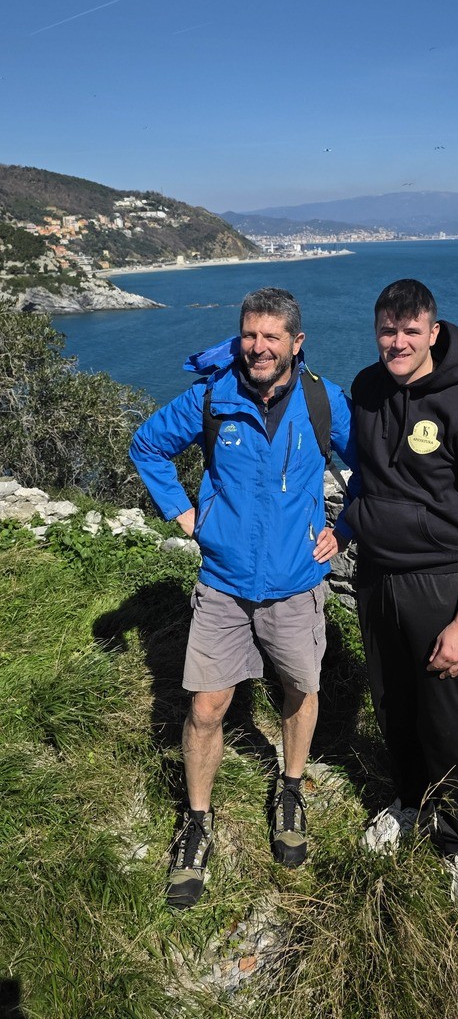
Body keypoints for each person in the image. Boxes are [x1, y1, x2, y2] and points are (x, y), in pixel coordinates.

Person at [130, 287, 355, 909]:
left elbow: (373, 467)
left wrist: (346, 527)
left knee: (300, 691)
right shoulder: (213, 397)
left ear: (296, 343)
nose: (259, 347)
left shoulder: (323, 401)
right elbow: (147, 444)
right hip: (224, 584)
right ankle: (196, 821)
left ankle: (291, 788)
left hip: (296, 583)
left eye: (271, 337)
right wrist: (184, 514)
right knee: (206, 709)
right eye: (250, 335)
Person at [345, 279, 458, 937]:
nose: (397, 342)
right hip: (376, 577)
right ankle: (410, 802)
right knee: (393, 705)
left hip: (442, 584)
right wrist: (349, 525)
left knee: (447, 721)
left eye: (410, 331)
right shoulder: (366, 389)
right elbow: (365, 475)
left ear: (434, 332)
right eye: (387, 330)